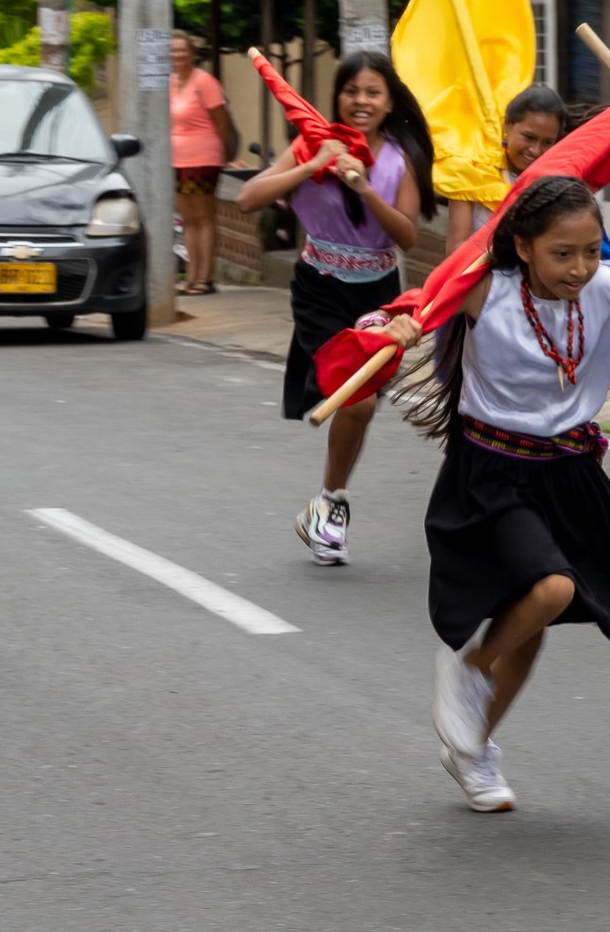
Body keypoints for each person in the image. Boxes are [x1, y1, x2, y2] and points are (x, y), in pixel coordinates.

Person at [370, 174, 610, 812]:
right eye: (562, 253)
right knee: (553, 589)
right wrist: (398, 328)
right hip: (491, 472)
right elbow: (411, 306)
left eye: (590, 250)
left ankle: (472, 750)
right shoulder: (486, 291)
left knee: (532, 626)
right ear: (524, 247)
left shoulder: (607, 289)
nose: (580, 267)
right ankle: (469, 669)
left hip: (570, 474)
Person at [236, 52, 435, 565]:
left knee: (359, 403)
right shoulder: (312, 142)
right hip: (319, 290)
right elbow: (248, 199)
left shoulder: (401, 159)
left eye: (373, 92)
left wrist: (362, 187)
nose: (360, 101)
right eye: (351, 91)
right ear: (337, 97)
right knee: (358, 400)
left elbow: (408, 236)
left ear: (389, 103)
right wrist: (312, 164)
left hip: (379, 295)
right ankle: (332, 506)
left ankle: (327, 503)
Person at [442, 84, 610, 274]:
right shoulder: (470, 170)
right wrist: (505, 247)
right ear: (507, 126)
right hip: (486, 283)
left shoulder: (558, 182)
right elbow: (455, 252)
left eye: (547, 142)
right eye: (528, 137)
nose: (535, 150)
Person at [169, 33, 235, 296]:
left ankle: (205, 279)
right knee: (187, 219)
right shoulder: (170, 83)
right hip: (177, 159)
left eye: (182, 50)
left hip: (203, 158)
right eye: (173, 51)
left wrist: (220, 153)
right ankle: (191, 276)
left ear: (192, 53)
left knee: (203, 217)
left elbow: (221, 122)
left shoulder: (204, 82)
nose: (178, 55)